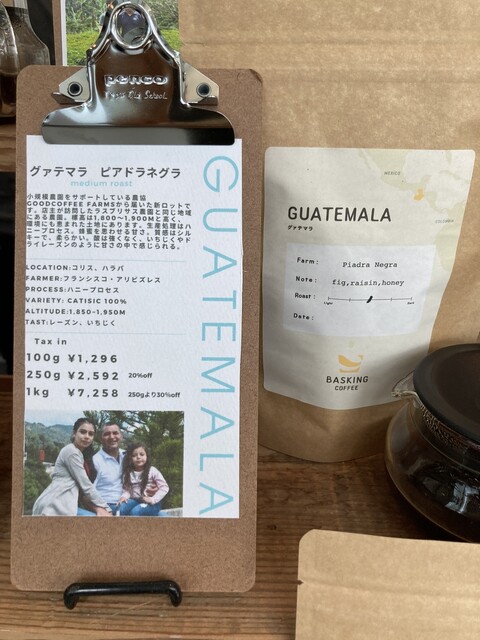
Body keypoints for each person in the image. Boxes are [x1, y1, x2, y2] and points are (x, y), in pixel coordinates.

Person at [32, 418, 112, 516]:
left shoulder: (79, 454)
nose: (87, 436)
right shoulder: (71, 452)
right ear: (74, 433)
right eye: (83, 432)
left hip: (65, 504)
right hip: (55, 504)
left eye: (90, 434)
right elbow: (86, 486)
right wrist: (107, 508)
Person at [118, 442, 169, 516]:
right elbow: (127, 490)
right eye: (134, 455)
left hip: (151, 503)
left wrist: (152, 499)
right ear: (130, 458)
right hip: (135, 500)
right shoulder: (128, 473)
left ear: (147, 456)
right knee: (121, 508)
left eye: (142, 454)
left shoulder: (152, 471)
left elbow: (164, 487)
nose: (138, 457)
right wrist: (124, 497)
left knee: (136, 512)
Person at [90, 422, 125, 515]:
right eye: (107, 434)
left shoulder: (128, 456)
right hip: (108, 506)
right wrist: (98, 509)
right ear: (101, 439)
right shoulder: (95, 461)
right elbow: (87, 493)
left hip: (127, 502)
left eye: (115, 433)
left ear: (121, 436)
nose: (112, 437)